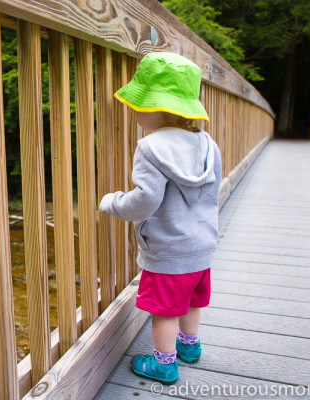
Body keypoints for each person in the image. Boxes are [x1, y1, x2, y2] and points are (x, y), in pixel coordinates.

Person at [99, 52, 222, 384]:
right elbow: (213, 194)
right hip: (201, 246)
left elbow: (145, 202)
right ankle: (190, 347)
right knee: (192, 300)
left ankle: (164, 364)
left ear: (154, 107)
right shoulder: (209, 145)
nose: (135, 109)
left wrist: (114, 203)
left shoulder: (150, 148)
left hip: (167, 250)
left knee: (164, 311)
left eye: (140, 103)